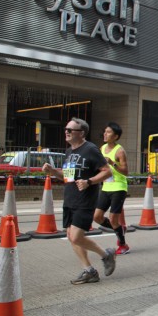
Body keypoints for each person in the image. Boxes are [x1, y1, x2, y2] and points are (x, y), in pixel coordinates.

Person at [42, 117, 117, 285]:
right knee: (71, 236)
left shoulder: (90, 149)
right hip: (70, 199)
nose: (66, 132)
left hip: (85, 200)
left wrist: (89, 181)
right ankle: (89, 270)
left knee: (76, 237)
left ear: (81, 133)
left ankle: (106, 255)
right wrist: (53, 171)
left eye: (70, 130)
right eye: (66, 129)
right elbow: (67, 177)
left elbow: (107, 171)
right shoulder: (69, 152)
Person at [94, 122, 130, 255]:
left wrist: (112, 163)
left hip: (119, 187)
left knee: (113, 218)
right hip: (106, 187)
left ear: (115, 136)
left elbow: (126, 172)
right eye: (105, 131)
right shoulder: (102, 148)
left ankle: (123, 245)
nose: (105, 134)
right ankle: (119, 229)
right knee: (97, 217)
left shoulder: (120, 151)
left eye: (108, 132)